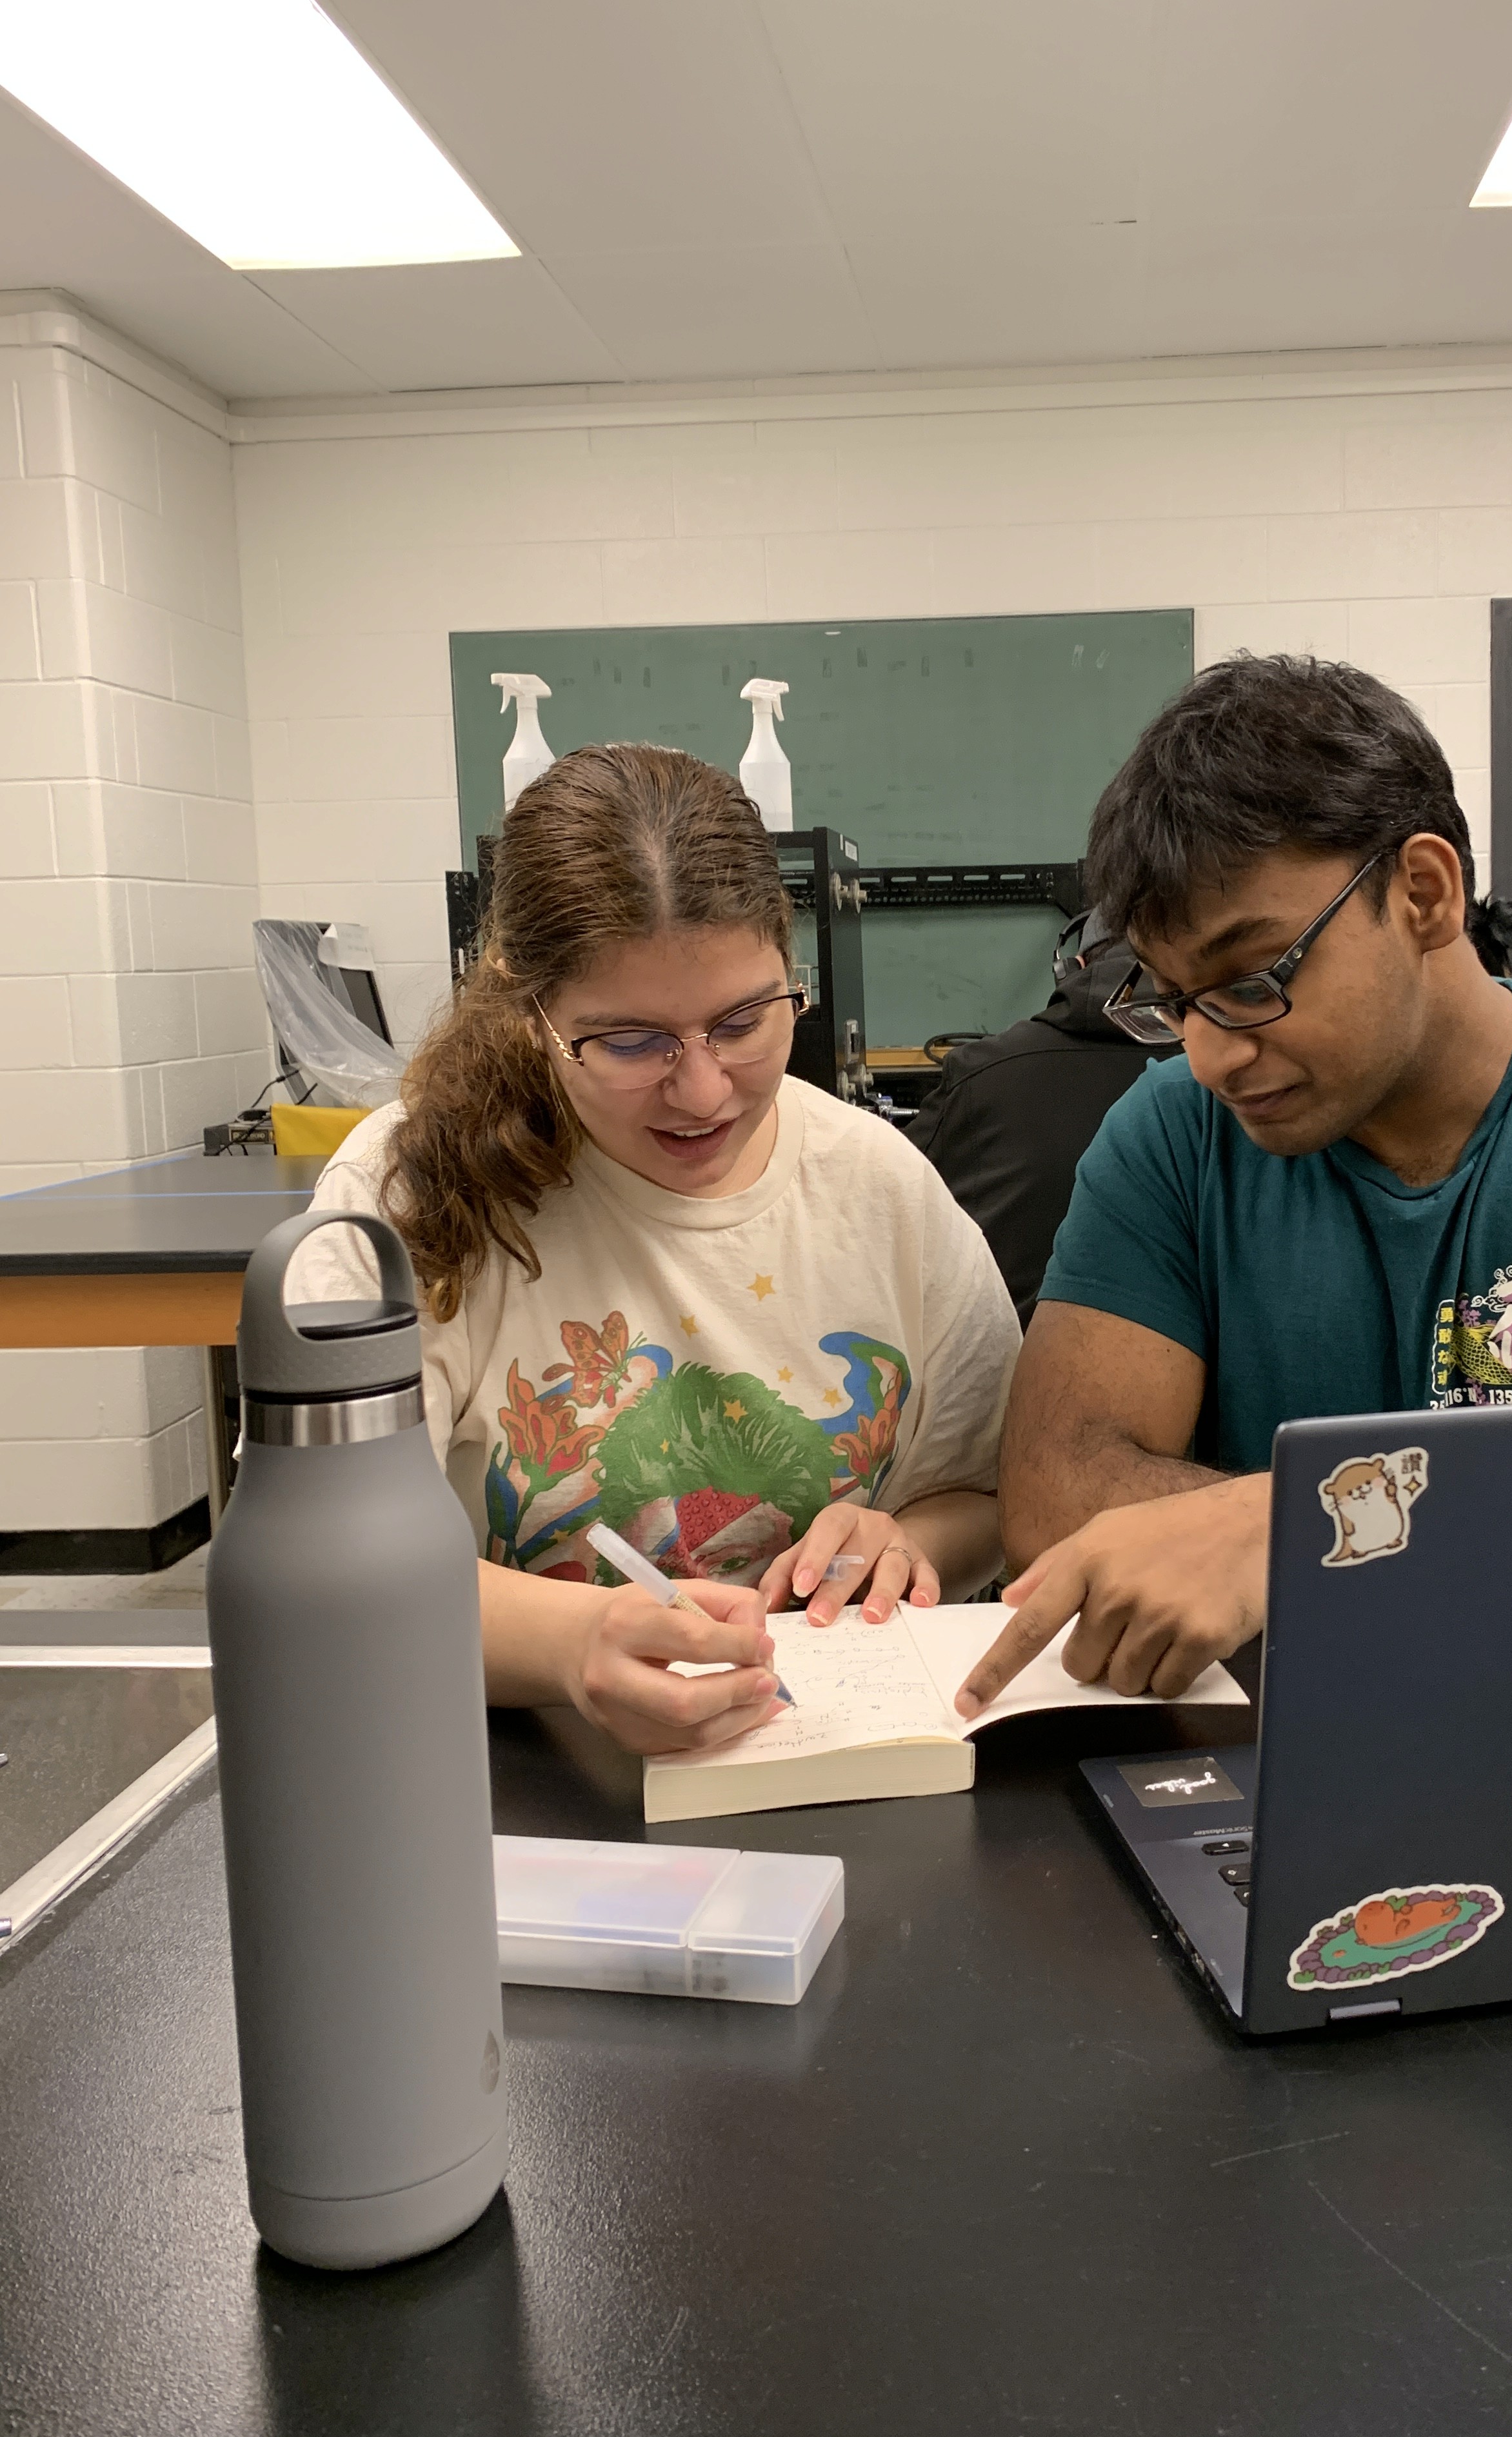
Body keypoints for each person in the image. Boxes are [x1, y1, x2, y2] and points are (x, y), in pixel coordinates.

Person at [953, 653, 1512, 1717]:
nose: (1208, 1056)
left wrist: (1285, 1529)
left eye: (1252, 981)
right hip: (1274, 1756)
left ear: (1425, 892)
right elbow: (1056, 1495)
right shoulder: (1170, 1137)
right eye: (1171, 1001)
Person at [299, 742, 1019, 1758]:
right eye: (631, 1041)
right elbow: (332, 1558)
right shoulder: (410, 1195)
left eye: (743, 1021)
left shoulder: (877, 1187)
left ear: (790, 970)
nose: (702, 1091)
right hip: (512, 1780)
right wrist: (572, 1645)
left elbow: (983, 1494)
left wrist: (906, 1539)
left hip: (831, 1762)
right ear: (529, 1008)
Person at [904, 908, 1161, 1326]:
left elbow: (890, 1202)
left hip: (1016, 1370)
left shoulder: (983, 1075)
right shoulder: (1227, 1073)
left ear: (1071, 970)